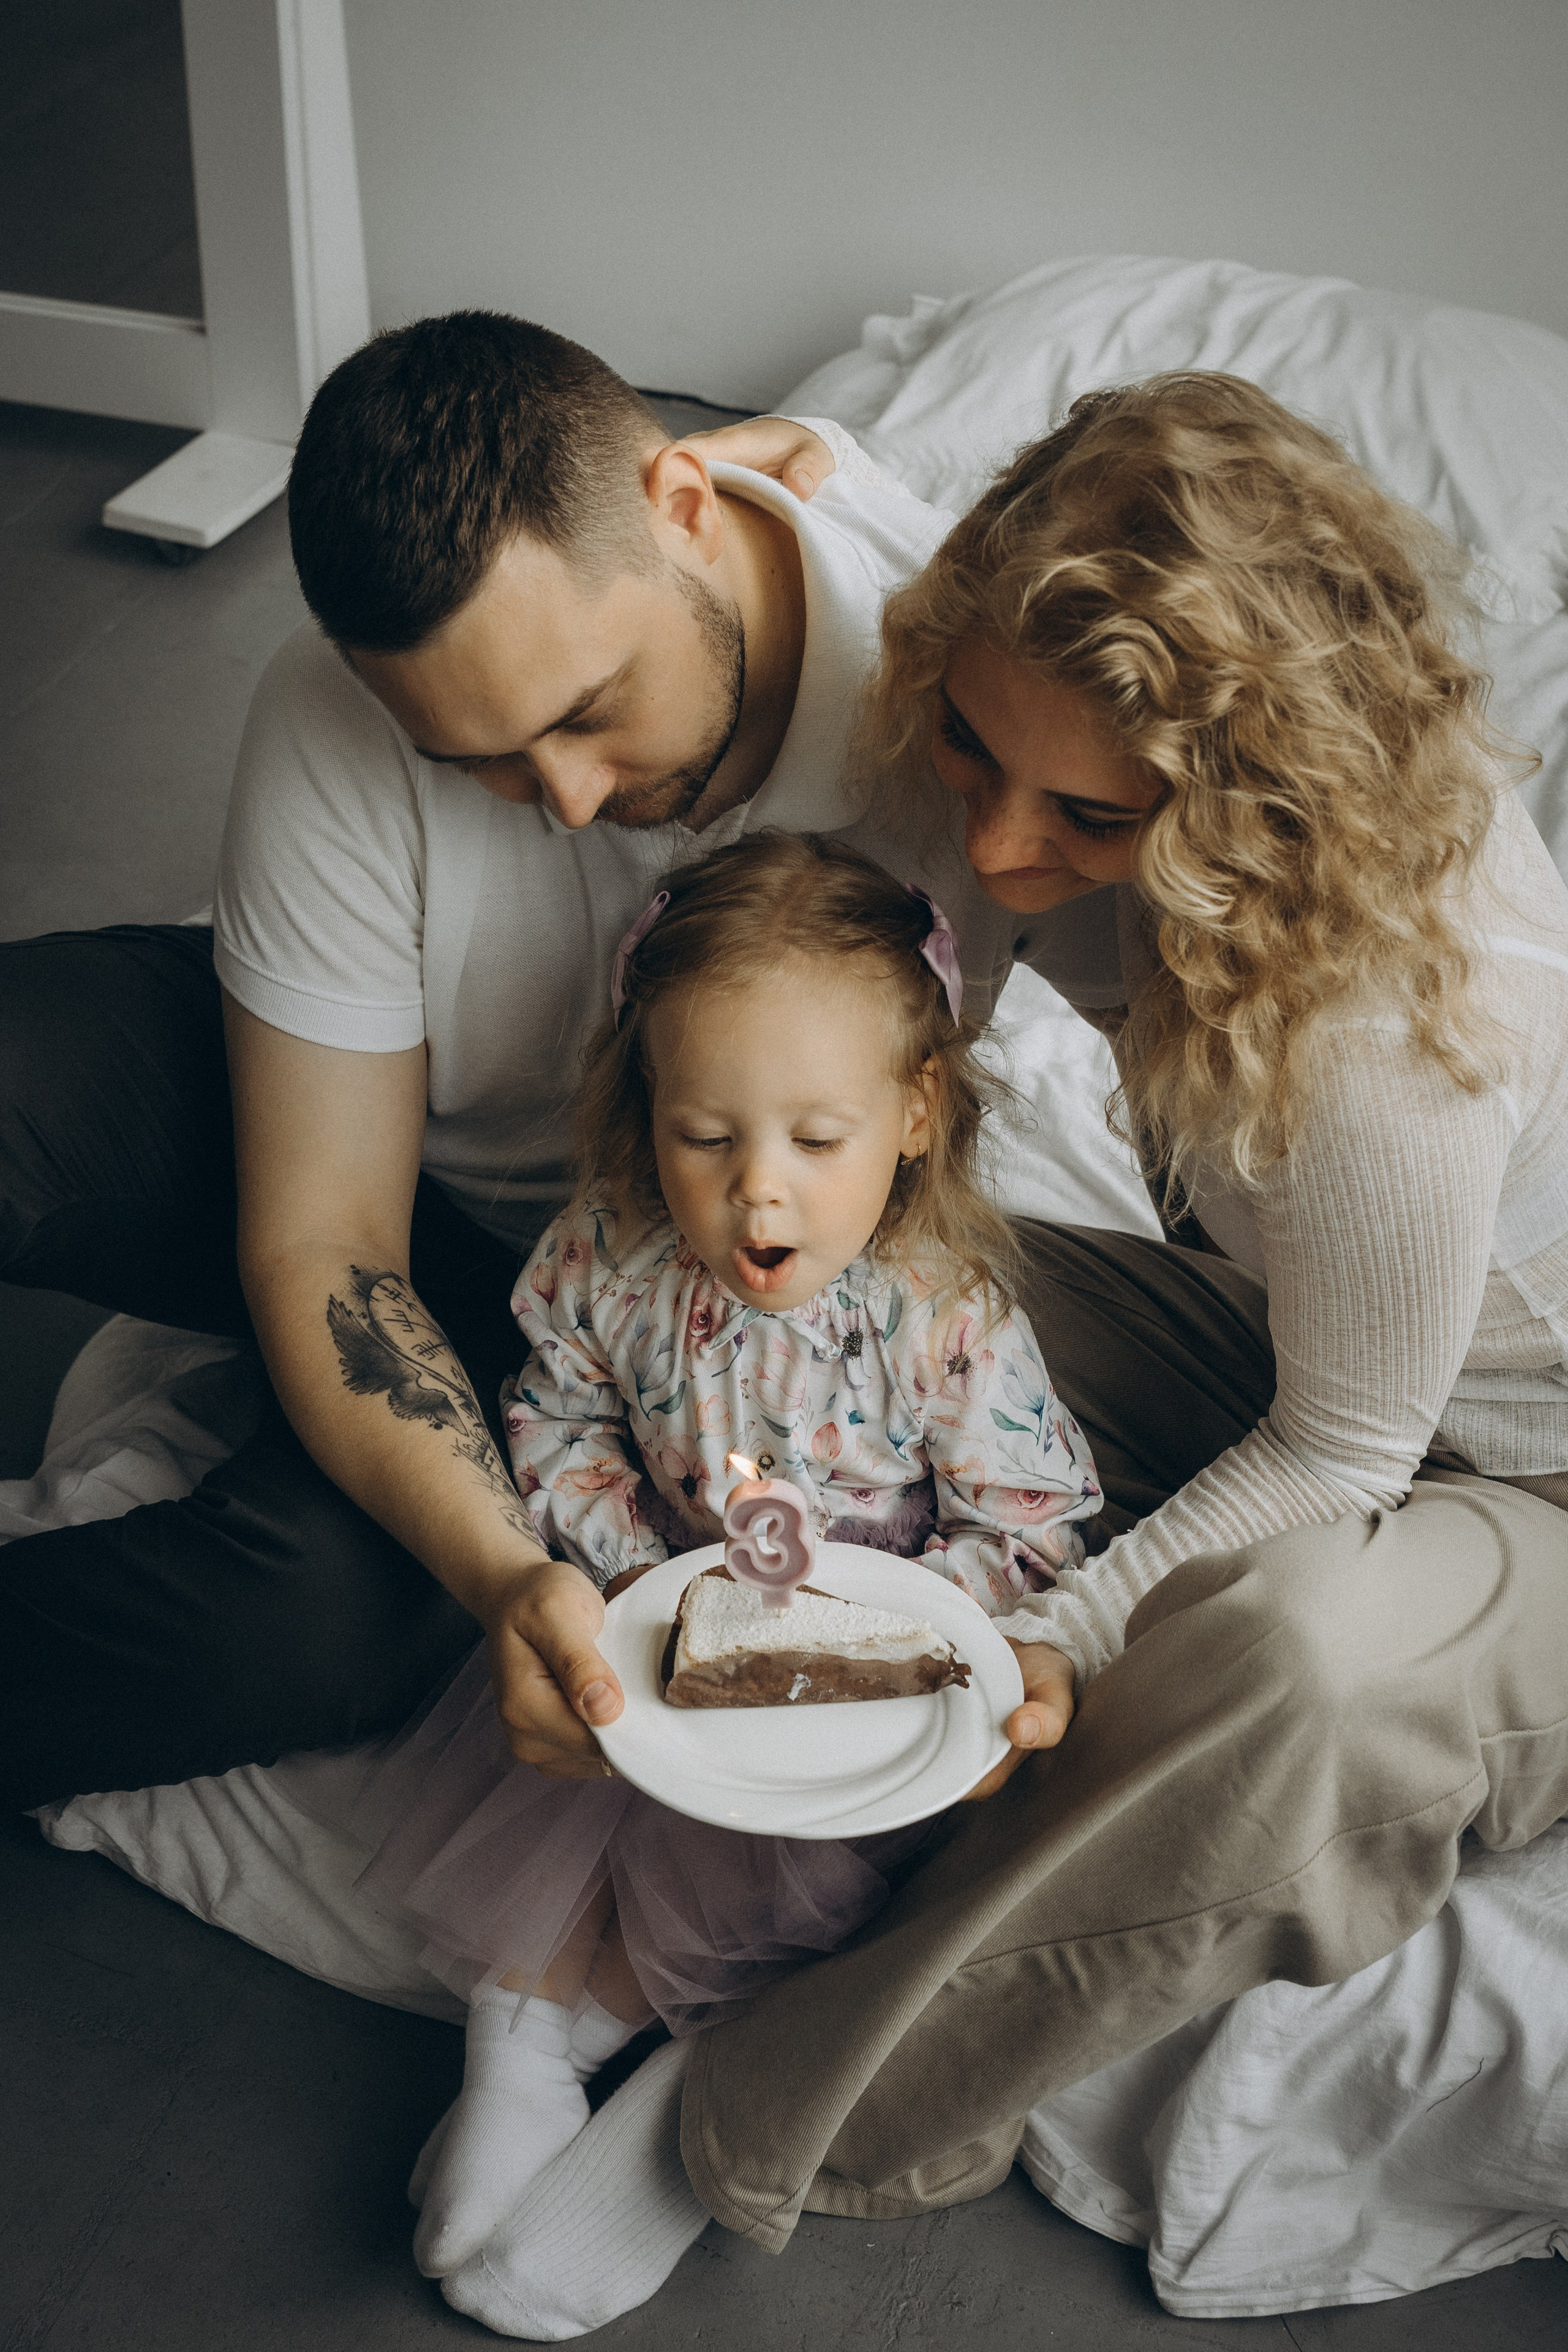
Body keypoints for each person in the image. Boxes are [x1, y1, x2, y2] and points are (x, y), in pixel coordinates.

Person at [424, 377, 1568, 2342]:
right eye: (971, 752)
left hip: (1504, 1463)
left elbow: (1346, 1447)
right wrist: (819, 473)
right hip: (1309, 1336)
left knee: (1294, 1665)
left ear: (1258, 808)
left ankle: (756, 2105)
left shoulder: (1398, 1015)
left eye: (1093, 816)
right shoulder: (1028, 746)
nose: (1006, 845)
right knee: (889, 1305)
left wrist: (1055, 1636)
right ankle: (696, 1768)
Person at [0, 312, 982, 1809]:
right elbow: (328, 1236)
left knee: (306, 1623)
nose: (573, 803)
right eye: (481, 763)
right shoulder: (333, 713)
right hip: (339, 1113)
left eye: (588, 712)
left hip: (610, 1322)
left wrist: (508, 1574)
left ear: (681, 509)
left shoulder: (959, 709)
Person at [358, 831, 1100, 2291]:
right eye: (706, 1137)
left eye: (814, 1144)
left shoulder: (940, 1315)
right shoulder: (609, 1260)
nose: (758, 1196)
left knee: (794, 1864)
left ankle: (587, 2035)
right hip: (663, 1604)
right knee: (575, 1774)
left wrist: (925, 1619)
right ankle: (509, 2046)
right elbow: (552, 1412)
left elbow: (1029, 1521)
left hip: (855, 1659)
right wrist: (633, 1560)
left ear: (910, 1114)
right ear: (649, 1112)